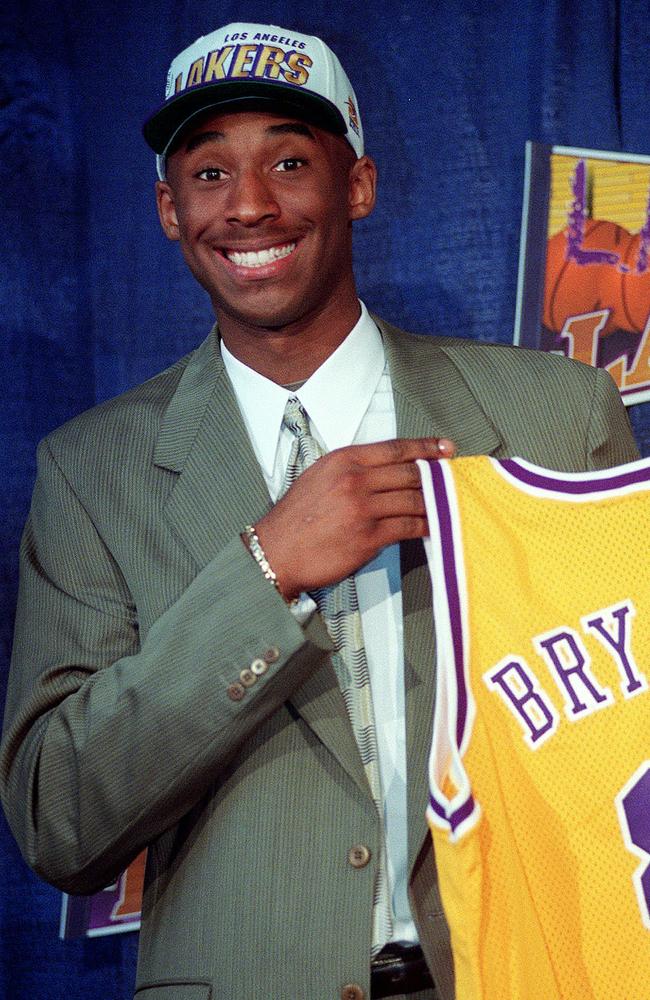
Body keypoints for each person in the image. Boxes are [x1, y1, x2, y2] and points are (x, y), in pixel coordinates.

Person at [0, 21, 639, 1000]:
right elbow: (59, 819)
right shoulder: (94, 471)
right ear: (167, 211)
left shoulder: (553, 416)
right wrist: (264, 572)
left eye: (289, 162)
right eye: (208, 175)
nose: (248, 205)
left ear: (357, 186)